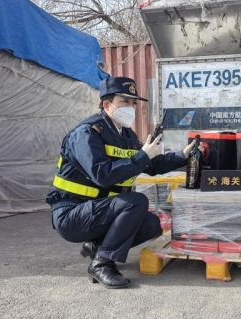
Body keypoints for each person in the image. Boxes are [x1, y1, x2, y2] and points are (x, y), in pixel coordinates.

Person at [47, 76, 196, 289]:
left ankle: (97, 246)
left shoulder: (125, 135)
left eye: (133, 103)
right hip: (72, 213)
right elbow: (102, 174)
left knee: (151, 225)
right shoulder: (87, 133)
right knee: (135, 201)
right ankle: (101, 264)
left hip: (100, 211)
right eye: (125, 101)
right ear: (107, 104)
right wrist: (142, 156)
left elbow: (150, 165)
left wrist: (182, 155)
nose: (131, 107)